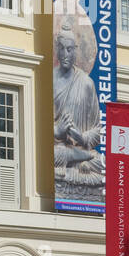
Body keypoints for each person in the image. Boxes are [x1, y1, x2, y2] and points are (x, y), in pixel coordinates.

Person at [53, 17, 104, 189]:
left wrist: (82, 137)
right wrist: (57, 131)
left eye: (69, 50)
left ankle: (79, 162)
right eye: (61, 49)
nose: (65, 55)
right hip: (58, 149)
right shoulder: (49, 80)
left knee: (102, 162)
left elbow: (98, 130)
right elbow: (37, 125)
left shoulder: (86, 83)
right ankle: (78, 162)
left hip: (82, 149)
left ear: (76, 51)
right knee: (51, 154)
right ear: (57, 50)